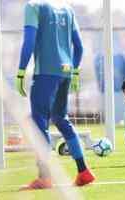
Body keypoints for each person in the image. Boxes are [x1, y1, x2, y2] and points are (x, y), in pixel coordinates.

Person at [16, 0, 95, 190]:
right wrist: (75, 71)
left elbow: (29, 41)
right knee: (61, 118)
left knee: (39, 121)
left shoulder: (33, 6)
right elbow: (79, 46)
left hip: (45, 73)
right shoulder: (67, 8)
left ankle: (45, 177)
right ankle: (83, 171)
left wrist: (20, 71)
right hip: (65, 72)